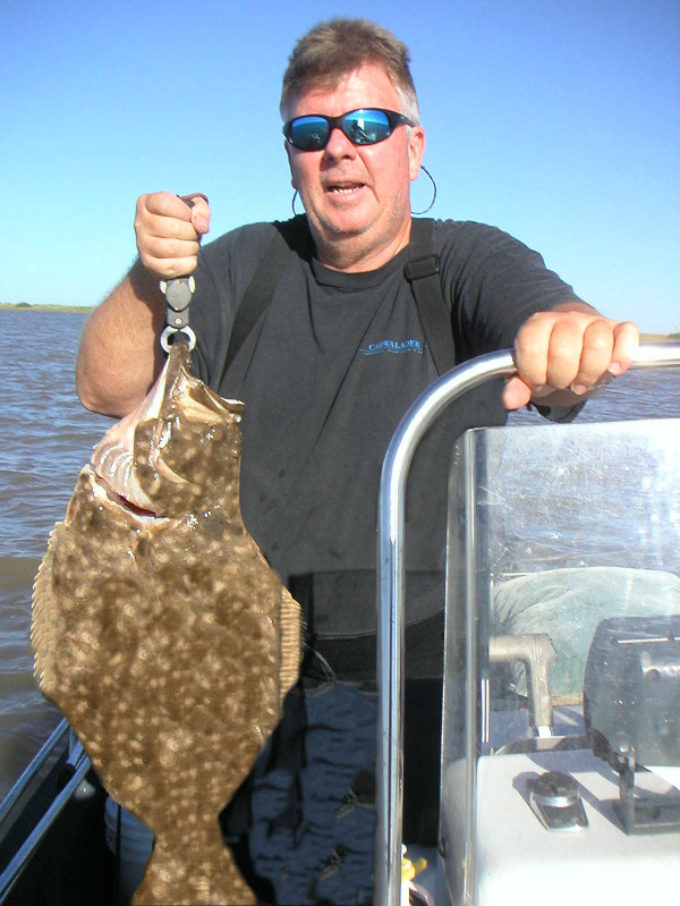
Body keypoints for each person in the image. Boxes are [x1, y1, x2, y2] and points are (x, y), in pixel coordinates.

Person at [76, 17, 639, 906]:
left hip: (413, 669)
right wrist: (153, 277)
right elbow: (107, 390)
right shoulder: (245, 267)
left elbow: (543, 319)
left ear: (412, 146)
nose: (340, 150)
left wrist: (566, 334)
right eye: (313, 132)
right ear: (293, 156)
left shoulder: (464, 260)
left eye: (368, 127)